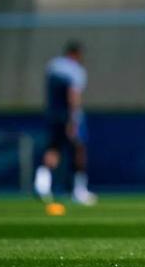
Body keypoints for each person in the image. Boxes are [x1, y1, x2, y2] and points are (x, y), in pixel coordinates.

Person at [34, 41, 98, 206]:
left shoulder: (53, 65)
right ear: (75, 54)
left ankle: (42, 184)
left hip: (53, 115)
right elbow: (73, 94)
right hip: (68, 116)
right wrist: (73, 119)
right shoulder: (75, 70)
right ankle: (79, 190)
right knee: (79, 150)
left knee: (53, 149)